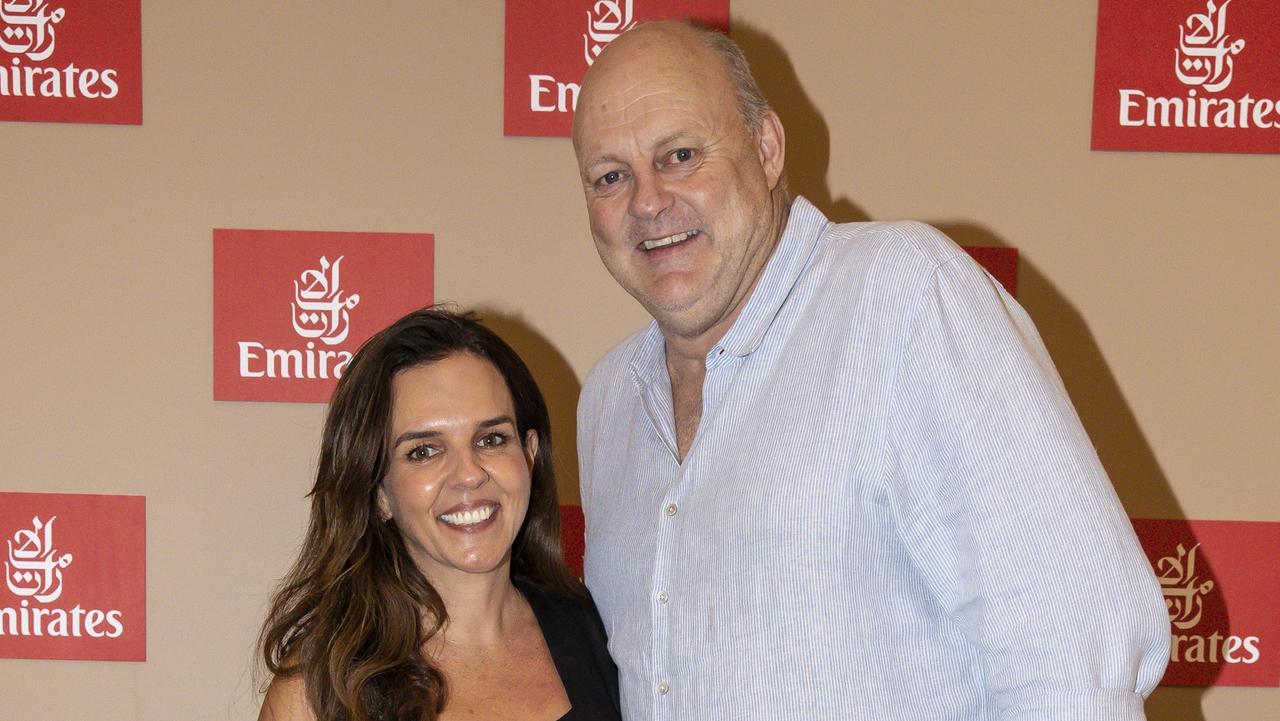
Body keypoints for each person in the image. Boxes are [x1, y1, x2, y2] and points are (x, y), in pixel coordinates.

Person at [571, 20, 1170, 721]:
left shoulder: (906, 298)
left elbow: (1072, 661)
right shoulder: (608, 400)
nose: (647, 201)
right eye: (610, 176)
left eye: (679, 155)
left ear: (766, 149)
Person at [256, 308, 621, 721]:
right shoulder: (319, 687)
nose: (468, 475)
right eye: (423, 451)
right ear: (379, 493)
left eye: (491, 439)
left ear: (530, 456)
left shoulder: (607, 636)